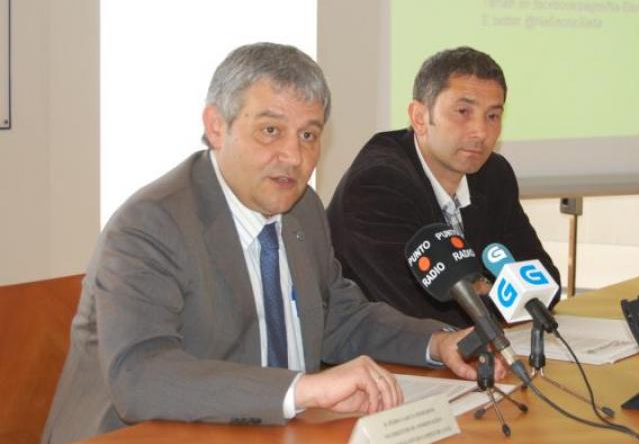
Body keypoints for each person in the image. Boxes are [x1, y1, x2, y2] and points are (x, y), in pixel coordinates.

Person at [42, 43, 486, 444]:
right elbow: (140, 376)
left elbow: (338, 316)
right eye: (271, 131)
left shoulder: (302, 209)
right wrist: (301, 389)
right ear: (217, 126)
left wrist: (438, 343)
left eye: (308, 135)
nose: (294, 156)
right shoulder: (150, 224)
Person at [327, 46, 561, 328]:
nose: (481, 132)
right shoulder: (379, 184)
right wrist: (493, 289)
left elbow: (545, 282)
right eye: (463, 111)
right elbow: (421, 313)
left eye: (492, 116)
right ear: (419, 118)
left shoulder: (494, 174)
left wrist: (483, 290)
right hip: (380, 363)